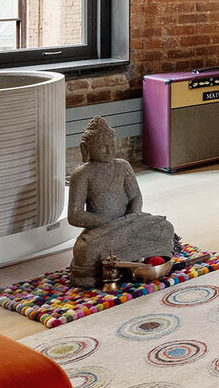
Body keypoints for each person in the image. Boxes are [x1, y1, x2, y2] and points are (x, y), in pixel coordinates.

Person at [66, 117, 177, 288]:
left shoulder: (123, 166)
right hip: (103, 230)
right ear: (86, 148)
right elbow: (75, 215)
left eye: (112, 143)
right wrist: (107, 223)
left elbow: (136, 197)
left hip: (129, 222)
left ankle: (119, 263)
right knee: (86, 251)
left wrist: (132, 215)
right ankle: (129, 260)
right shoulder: (81, 175)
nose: (109, 150)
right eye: (102, 145)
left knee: (165, 228)